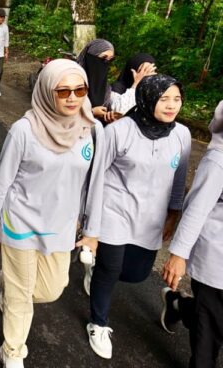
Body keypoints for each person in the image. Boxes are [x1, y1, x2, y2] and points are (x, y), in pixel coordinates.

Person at [0, 59, 101, 368]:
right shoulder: (24, 130)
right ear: (47, 91)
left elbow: (92, 184)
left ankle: (8, 284)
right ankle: (13, 350)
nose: (73, 97)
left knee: (50, 290)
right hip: (20, 221)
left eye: (79, 89)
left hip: (60, 226)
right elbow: (2, 180)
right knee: (21, 298)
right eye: (63, 91)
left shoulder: (92, 130)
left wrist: (91, 229)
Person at [84, 74, 191, 361]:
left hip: (152, 217)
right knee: (111, 267)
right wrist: (90, 226)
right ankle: (99, 322)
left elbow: (179, 178)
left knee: (137, 274)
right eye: (164, 98)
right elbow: (96, 176)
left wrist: (173, 213)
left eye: (177, 99)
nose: (171, 105)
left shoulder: (181, 135)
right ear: (147, 98)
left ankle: (98, 272)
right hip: (115, 210)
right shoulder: (120, 131)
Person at [161, 100, 223, 367]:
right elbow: (197, 208)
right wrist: (178, 255)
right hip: (216, 261)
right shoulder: (219, 160)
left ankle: (181, 306)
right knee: (209, 333)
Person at [76, 39, 115, 123]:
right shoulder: (73, 81)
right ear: (91, 56)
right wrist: (91, 112)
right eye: (103, 58)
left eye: (110, 60)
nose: (106, 63)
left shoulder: (106, 87)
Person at [107, 53, 157, 118]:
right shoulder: (118, 88)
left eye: (150, 70)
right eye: (142, 71)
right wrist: (136, 85)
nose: (146, 74)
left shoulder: (155, 88)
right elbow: (118, 112)